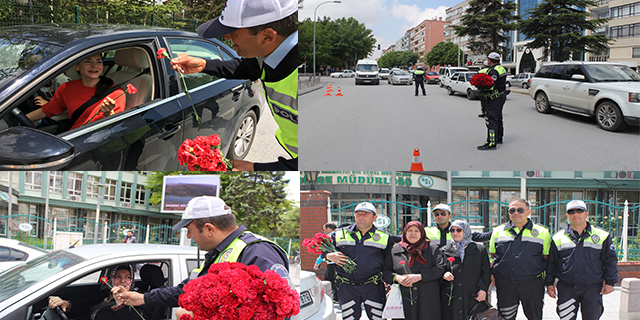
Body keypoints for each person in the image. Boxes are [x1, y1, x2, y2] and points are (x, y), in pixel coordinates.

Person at [169, 0, 298, 171]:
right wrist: (204, 65)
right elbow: (247, 67)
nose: (226, 37)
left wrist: (254, 168)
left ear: (267, 36)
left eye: (232, 32)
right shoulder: (270, 52)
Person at [113, 196, 290, 319]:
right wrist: (142, 298)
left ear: (210, 229)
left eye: (189, 231)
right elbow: (188, 291)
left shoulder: (258, 252)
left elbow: (273, 312)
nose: (189, 237)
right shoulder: (220, 252)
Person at [545, 200, 618, 320]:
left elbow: (610, 261)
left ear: (586, 213)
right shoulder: (558, 237)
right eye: (571, 212)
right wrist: (549, 283)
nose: (575, 214)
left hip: (592, 288)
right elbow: (551, 263)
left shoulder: (602, 236)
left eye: (579, 211)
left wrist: (610, 282)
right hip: (566, 288)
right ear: (567, 216)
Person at [324, 202, 393, 320]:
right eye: (358, 214)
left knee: (378, 318)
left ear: (374, 217)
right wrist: (328, 255)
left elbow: (391, 260)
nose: (361, 217)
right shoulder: (340, 233)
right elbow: (321, 247)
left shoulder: (384, 237)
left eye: (365, 214)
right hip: (346, 286)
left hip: (373, 286)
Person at [489, 198, 551, 320]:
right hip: (506, 284)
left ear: (528, 212)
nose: (516, 213)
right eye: (512, 210)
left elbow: (546, 257)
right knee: (506, 317)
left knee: (535, 316)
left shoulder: (542, 232)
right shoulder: (497, 231)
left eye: (520, 210)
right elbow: (494, 255)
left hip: (532, 284)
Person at [26, 53, 125, 130]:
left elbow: (115, 127)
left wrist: (109, 114)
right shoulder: (66, 88)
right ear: (77, 66)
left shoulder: (116, 93)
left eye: (98, 62)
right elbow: (46, 111)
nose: (95, 66)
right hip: (74, 137)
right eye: (88, 61)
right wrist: (20, 118)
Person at [384, 221, 445, 320]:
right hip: (403, 300)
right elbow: (386, 272)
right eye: (410, 231)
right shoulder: (395, 249)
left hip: (427, 299)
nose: (413, 234)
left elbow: (440, 268)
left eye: (417, 231)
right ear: (405, 233)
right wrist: (397, 278)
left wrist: (420, 276)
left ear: (422, 233)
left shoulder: (431, 248)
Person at [49, 264, 150, 320]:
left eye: (127, 277)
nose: (123, 281)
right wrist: (65, 304)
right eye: (118, 276)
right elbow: (84, 305)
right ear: (111, 279)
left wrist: (120, 304)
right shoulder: (105, 294)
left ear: (132, 280)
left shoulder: (139, 300)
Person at [440, 220, 491, 320]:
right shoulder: (444, 250)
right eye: (452, 230)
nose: (455, 233)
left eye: (459, 230)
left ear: (466, 231)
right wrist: (444, 274)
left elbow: (486, 272)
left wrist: (483, 289)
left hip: (473, 295)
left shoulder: (479, 250)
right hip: (452, 296)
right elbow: (439, 269)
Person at [424, 203, 492, 248]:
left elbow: (478, 236)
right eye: (436, 214)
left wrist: (495, 233)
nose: (439, 216)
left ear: (450, 216)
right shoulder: (427, 231)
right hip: (436, 265)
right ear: (434, 216)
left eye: (443, 214)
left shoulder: (458, 230)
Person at [477, 52, 508, 150]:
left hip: (494, 97)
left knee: (491, 119)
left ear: (489, 60)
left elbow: (490, 85)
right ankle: (499, 138)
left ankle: (491, 142)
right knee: (498, 118)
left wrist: (481, 87)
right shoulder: (501, 68)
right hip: (501, 95)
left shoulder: (493, 71)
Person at [313, 222, 338, 302]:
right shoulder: (339, 236)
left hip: (332, 262)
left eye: (324, 229)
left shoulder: (329, 238)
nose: (323, 231)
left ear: (328, 228)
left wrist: (317, 262)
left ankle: (335, 297)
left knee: (329, 280)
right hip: (339, 261)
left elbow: (325, 252)